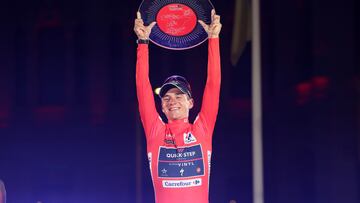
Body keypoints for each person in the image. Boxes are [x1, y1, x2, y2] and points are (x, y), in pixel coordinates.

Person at [134, 9, 222, 203]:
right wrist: (143, 42)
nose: (172, 101)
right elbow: (142, 87)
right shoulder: (155, 131)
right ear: (162, 107)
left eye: (179, 96)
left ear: (191, 102)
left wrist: (213, 38)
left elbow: (213, 85)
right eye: (166, 98)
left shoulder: (202, 129)